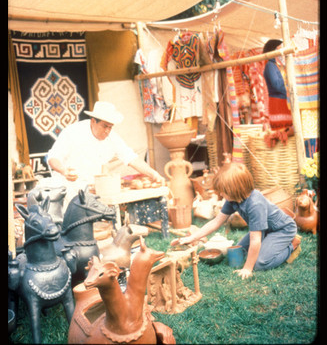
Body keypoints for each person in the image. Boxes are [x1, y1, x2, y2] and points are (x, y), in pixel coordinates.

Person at [171, 162, 301, 279]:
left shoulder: (255, 204)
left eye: (223, 191)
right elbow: (216, 222)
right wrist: (192, 238)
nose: (221, 194)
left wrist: (247, 269)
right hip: (264, 230)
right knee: (238, 252)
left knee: (259, 263)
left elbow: (255, 240)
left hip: (282, 230)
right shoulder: (233, 199)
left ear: (235, 190)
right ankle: (270, 246)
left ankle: (291, 246)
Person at [47, 101, 165, 202]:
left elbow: (131, 158)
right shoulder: (73, 132)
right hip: (69, 190)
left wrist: (153, 174)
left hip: (94, 190)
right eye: (105, 126)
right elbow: (53, 157)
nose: (108, 131)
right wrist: (64, 171)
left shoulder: (112, 137)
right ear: (93, 121)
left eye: (110, 127)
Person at [263, 39, 293, 130]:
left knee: (286, 129)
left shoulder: (275, 65)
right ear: (274, 50)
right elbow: (276, 85)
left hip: (281, 100)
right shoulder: (270, 65)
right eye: (279, 49)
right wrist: (289, 90)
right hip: (277, 102)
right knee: (281, 131)